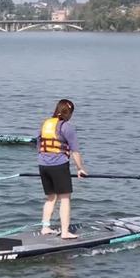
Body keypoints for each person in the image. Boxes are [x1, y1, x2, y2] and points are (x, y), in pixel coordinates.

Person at [37, 99, 88, 239]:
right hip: (58, 166)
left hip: (43, 165)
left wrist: (45, 160)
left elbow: (38, 145)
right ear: (69, 113)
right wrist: (80, 169)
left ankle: (45, 227)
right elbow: (75, 151)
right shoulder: (66, 127)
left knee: (51, 197)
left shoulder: (45, 124)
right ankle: (65, 232)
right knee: (65, 198)